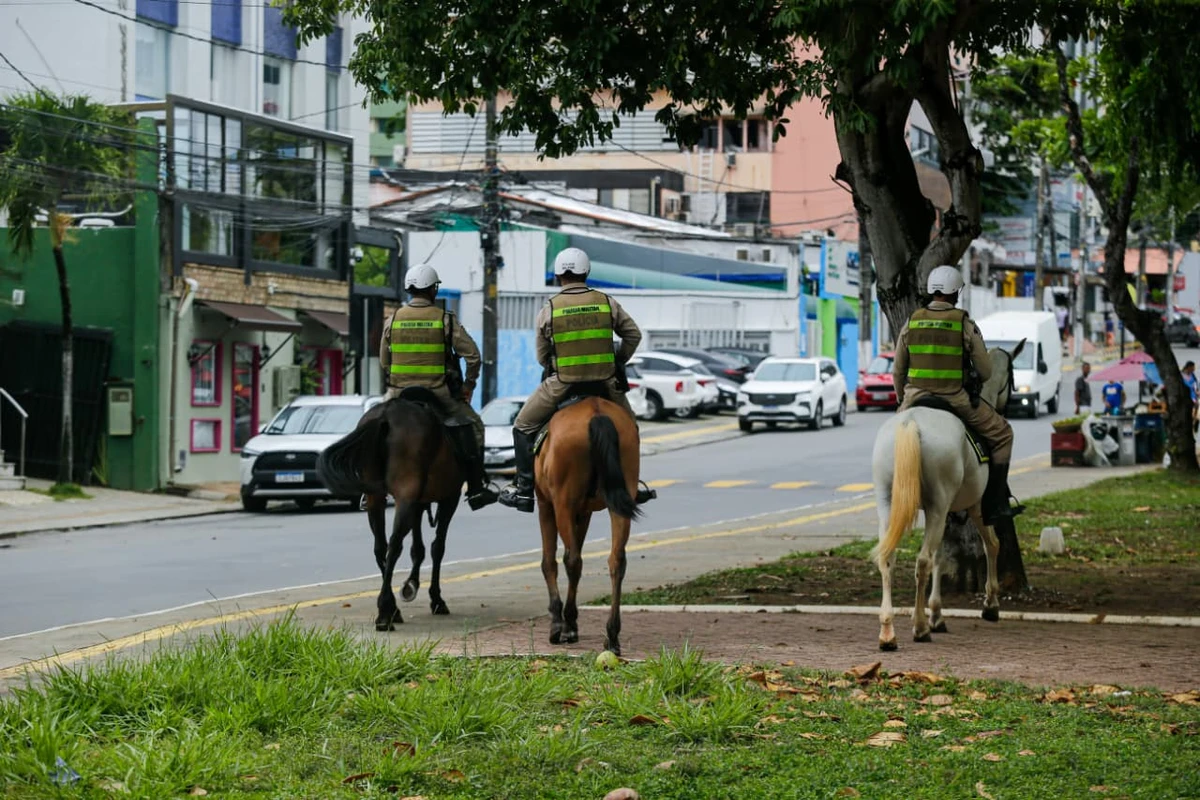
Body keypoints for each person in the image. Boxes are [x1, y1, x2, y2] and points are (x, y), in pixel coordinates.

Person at [498, 247, 654, 513]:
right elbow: (633, 335)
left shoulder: (549, 308)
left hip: (562, 384)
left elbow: (541, 356)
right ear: (586, 272)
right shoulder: (606, 302)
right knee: (631, 428)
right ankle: (632, 486)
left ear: (559, 275)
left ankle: (524, 490)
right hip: (605, 383)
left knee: (522, 426)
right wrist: (618, 360)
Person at [893, 265, 1022, 525]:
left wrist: (902, 400)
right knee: (1003, 434)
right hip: (954, 399)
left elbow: (898, 371)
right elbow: (986, 372)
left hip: (913, 399)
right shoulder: (963, 323)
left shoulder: (912, 320)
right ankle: (995, 504)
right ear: (955, 293)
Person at [380, 264, 498, 510]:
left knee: (371, 428)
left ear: (410, 289)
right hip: (438, 394)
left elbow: (384, 361)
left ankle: (370, 488)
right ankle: (476, 488)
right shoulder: (444, 319)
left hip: (398, 394)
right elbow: (473, 356)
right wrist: (468, 385)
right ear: (433, 290)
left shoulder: (393, 319)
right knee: (475, 426)